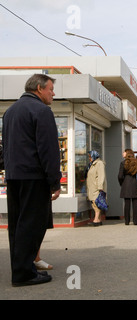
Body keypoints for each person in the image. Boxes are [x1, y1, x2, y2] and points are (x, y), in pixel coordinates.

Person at [3, 74, 61, 286]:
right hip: (34, 177)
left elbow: (6, 147)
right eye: (51, 89)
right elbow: (48, 149)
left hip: (14, 176)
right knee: (32, 225)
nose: (53, 94)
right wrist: (55, 181)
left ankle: (20, 270)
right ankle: (24, 274)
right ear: (39, 88)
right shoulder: (42, 111)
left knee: (17, 225)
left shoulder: (10, 112)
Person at [118, 151, 137, 225]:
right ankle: (135, 221)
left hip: (126, 183)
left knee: (127, 203)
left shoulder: (123, 163)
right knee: (135, 203)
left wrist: (122, 183)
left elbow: (120, 176)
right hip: (135, 184)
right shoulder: (136, 163)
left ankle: (127, 221)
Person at [86, 150, 107, 227]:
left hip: (96, 187)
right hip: (92, 187)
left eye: (90, 156)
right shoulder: (92, 164)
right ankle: (99, 219)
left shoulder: (99, 163)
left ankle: (96, 219)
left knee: (96, 203)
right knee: (95, 203)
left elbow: (101, 175)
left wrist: (100, 187)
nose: (89, 158)